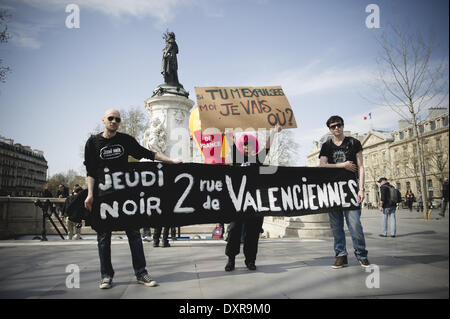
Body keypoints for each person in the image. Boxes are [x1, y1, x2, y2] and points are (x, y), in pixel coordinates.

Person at [84, 108, 181, 289]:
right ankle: (106, 276)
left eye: (117, 119)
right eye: (111, 118)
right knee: (103, 238)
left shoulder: (125, 140)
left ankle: (141, 273)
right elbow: (90, 171)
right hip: (103, 197)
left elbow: (148, 154)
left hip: (126, 197)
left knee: (134, 235)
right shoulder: (92, 142)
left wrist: (171, 161)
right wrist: (90, 194)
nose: (114, 121)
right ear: (103, 120)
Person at [224, 125, 281, 272]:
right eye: (244, 144)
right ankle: (231, 259)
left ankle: (250, 260)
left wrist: (274, 132)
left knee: (253, 232)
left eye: (250, 144)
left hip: (256, 202)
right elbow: (230, 141)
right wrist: (228, 132)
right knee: (234, 230)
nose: (247, 146)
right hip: (238, 202)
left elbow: (268, 147)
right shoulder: (237, 157)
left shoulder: (258, 158)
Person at [319, 115, 370, 269]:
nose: (336, 128)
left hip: (351, 189)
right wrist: (343, 165)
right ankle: (341, 255)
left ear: (343, 125)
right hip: (332, 190)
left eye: (339, 125)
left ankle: (361, 254)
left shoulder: (354, 142)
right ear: (329, 129)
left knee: (355, 224)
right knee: (336, 226)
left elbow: (361, 167)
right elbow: (322, 165)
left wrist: (361, 188)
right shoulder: (326, 145)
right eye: (333, 126)